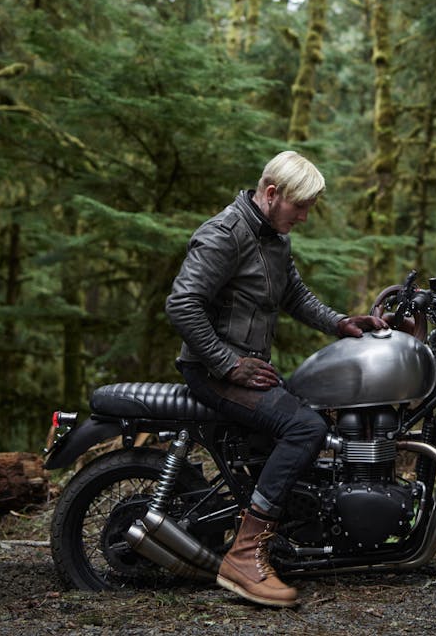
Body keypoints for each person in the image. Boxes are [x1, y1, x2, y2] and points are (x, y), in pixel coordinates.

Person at [165, 150, 386, 608]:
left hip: (244, 367)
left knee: (306, 411)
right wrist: (227, 364)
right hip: (213, 370)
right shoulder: (225, 234)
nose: (304, 216)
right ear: (271, 194)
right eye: (299, 206)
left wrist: (341, 322)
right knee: (306, 427)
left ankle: (278, 535)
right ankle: (244, 556)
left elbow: (295, 295)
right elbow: (182, 304)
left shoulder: (273, 237)